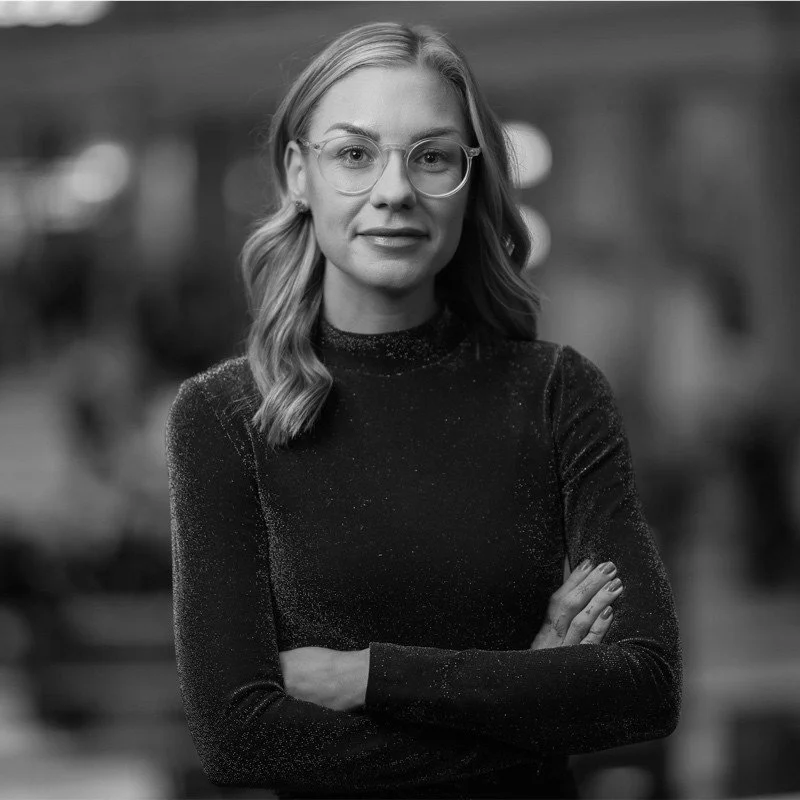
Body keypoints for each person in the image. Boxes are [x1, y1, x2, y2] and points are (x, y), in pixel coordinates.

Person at [165, 21, 682, 800]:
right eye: (354, 153)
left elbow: (645, 684)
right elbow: (240, 740)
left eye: (431, 155)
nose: (395, 189)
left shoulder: (555, 392)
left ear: (469, 180)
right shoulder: (224, 416)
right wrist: (533, 694)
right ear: (299, 174)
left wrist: (369, 676)